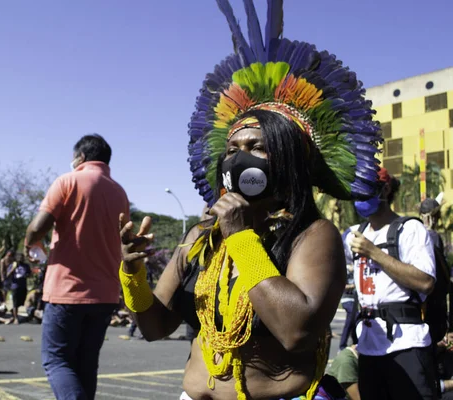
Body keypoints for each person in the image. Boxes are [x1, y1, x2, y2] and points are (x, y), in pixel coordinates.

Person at [118, 1, 383, 399]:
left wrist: (242, 239)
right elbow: (156, 328)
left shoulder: (314, 235)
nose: (238, 157)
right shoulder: (201, 237)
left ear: (288, 158)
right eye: (232, 147)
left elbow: (297, 332)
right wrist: (133, 273)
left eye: (255, 146)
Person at [24, 133, 130, 400]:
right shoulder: (120, 192)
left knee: (57, 361)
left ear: (81, 157)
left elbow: (38, 227)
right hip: (105, 294)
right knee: (86, 364)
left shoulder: (67, 181)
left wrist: (29, 244)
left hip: (67, 290)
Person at [345, 168, 437, 399]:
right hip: (368, 346)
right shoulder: (353, 234)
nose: (359, 197)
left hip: (406, 343)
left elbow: (425, 281)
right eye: (355, 192)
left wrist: (374, 252)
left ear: (385, 189)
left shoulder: (410, 230)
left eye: (365, 190)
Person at [7, 253, 31, 325]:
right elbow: (7, 275)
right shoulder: (12, 265)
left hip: (23, 285)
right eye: (19, 257)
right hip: (15, 286)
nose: (20, 259)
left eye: (22, 257)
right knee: (15, 302)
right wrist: (13, 269)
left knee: (21, 302)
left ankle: (13, 312)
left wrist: (26, 275)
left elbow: (30, 274)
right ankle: (16, 318)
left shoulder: (26, 266)